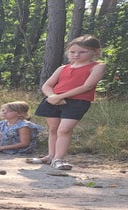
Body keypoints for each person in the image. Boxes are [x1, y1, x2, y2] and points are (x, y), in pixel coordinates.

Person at [28, 35, 106, 170]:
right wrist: (53, 96)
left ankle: (58, 158)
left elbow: (87, 86)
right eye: (72, 52)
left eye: (82, 52)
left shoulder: (97, 67)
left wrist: (61, 96)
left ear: (96, 51)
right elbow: (47, 85)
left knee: (64, 130)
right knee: (53, 129)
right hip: (53, 100)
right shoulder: (62, 68)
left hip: (77, 101)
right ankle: (50, 156)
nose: (76, 55)